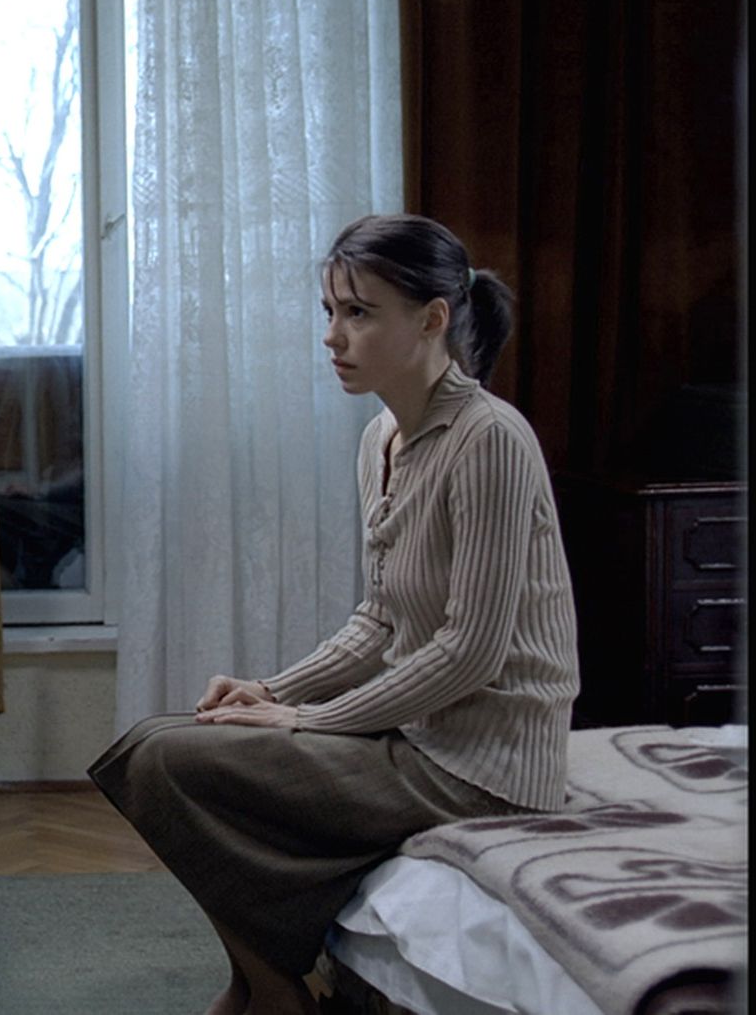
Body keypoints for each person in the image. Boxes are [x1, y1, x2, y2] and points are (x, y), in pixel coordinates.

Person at [88, 213, 580, 1015]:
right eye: (329, 310)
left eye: (358, 312)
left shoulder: (489, 439)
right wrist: (270, 688)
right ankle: (262, 982)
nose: (332, 335)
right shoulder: (381, 437)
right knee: (155, 740)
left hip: (483, 769)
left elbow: (469, 652)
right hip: (420, 740)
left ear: (431, 319)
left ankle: (272, 989)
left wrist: (307, 720)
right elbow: (379, 619)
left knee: (166, 763)